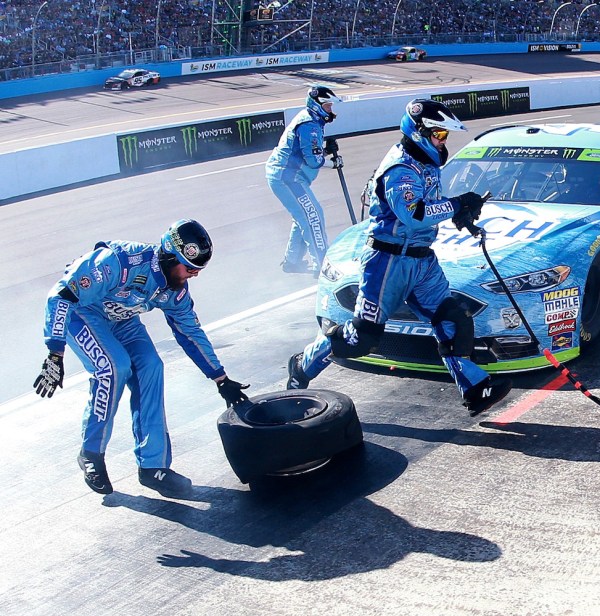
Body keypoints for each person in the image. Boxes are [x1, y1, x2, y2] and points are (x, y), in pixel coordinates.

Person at [287, 98, 513, 417]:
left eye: (444, 136)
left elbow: (431, 205)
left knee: (453, 320)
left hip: (422, 261)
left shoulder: (426, 163)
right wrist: (457, 203)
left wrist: (460, 215)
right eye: (439, 134)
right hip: (387, 262)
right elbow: (414, 213)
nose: (442, 140)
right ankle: (303, 364)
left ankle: (476, 388)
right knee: (362, 338)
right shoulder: (400, 168)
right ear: (419, 131)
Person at [33, 220, 250, 498]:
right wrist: (55, 353)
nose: (193, 275)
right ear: (169, 256)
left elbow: (190, 332)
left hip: (123, 320)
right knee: (114, 367)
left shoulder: (176, 289)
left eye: (198, 270)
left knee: (151, 366)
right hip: (83, 313)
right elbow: (60, 297)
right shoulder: (118, 261)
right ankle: (91, 454)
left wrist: (220, 378)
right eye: (189, 268)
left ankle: (153, 467)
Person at [266, 84, 344, 274]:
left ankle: (292, 261)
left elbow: (307, 153)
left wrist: (325, 151)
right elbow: (314, 160)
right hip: (287, 177)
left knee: (304, 216)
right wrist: (333, 162)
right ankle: (322, 266)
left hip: (285, 175)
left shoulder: (310, 120)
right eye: (328, 106)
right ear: (317, 105)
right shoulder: (310, 124)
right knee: (313, 216)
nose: (331, 110)